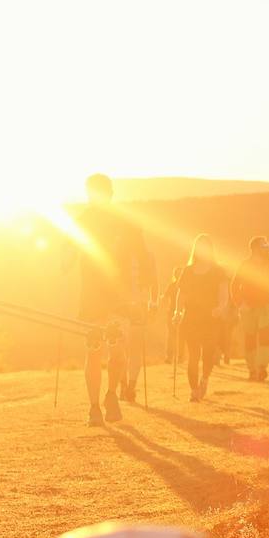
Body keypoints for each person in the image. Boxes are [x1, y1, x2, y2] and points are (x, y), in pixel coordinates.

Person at [63, 173, 150, 425]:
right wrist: (66, 255)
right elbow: (66, 259)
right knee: (94, 351)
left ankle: (111, 395)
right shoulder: (81, 221)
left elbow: (143, 257)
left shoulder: (126, 223)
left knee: (118, 351)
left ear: (110, 194)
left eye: (101, 192)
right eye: (92, 192)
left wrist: (143, 290)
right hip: (92, 297)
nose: (96, 197)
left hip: (119, 296)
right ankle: (93, 408)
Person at [173, 234, 229, 401]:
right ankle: (194, 390)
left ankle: (204, 378)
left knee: (208, 353)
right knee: (193, 355)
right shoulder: (188, 271)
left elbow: (224, 293)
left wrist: (220, 307)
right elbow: (181, 294)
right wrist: (177, 311)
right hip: (191, 318)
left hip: (211, 318)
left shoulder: (218, 271)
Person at [230, 236, 269, 381]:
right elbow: (234, 285)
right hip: (248, 307)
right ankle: (252, 369)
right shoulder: (245, 265)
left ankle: (262, 368)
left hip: (266, 306)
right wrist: (240, 303)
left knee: (265, 337)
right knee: (250, 338)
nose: (266, 248)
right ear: (254, 249)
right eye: (263, 246)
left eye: (267, 245)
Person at [122, 247, 157, 403]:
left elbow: (154, 283)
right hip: (123, 306)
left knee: (129, 348)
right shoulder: (147, 254)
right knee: (124, 348)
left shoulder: (147, 255)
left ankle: (128, 386)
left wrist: (153, 304)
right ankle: (127, 385)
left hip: (133, 306)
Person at [159, 266, 183, 364]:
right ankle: (174, 356)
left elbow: (164, 297)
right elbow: (165, 297)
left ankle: (173, 357)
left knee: (174, 335)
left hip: (177, 312)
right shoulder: (174, 285)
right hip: (175, 312)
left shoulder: (174, 285)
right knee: (176, 335)